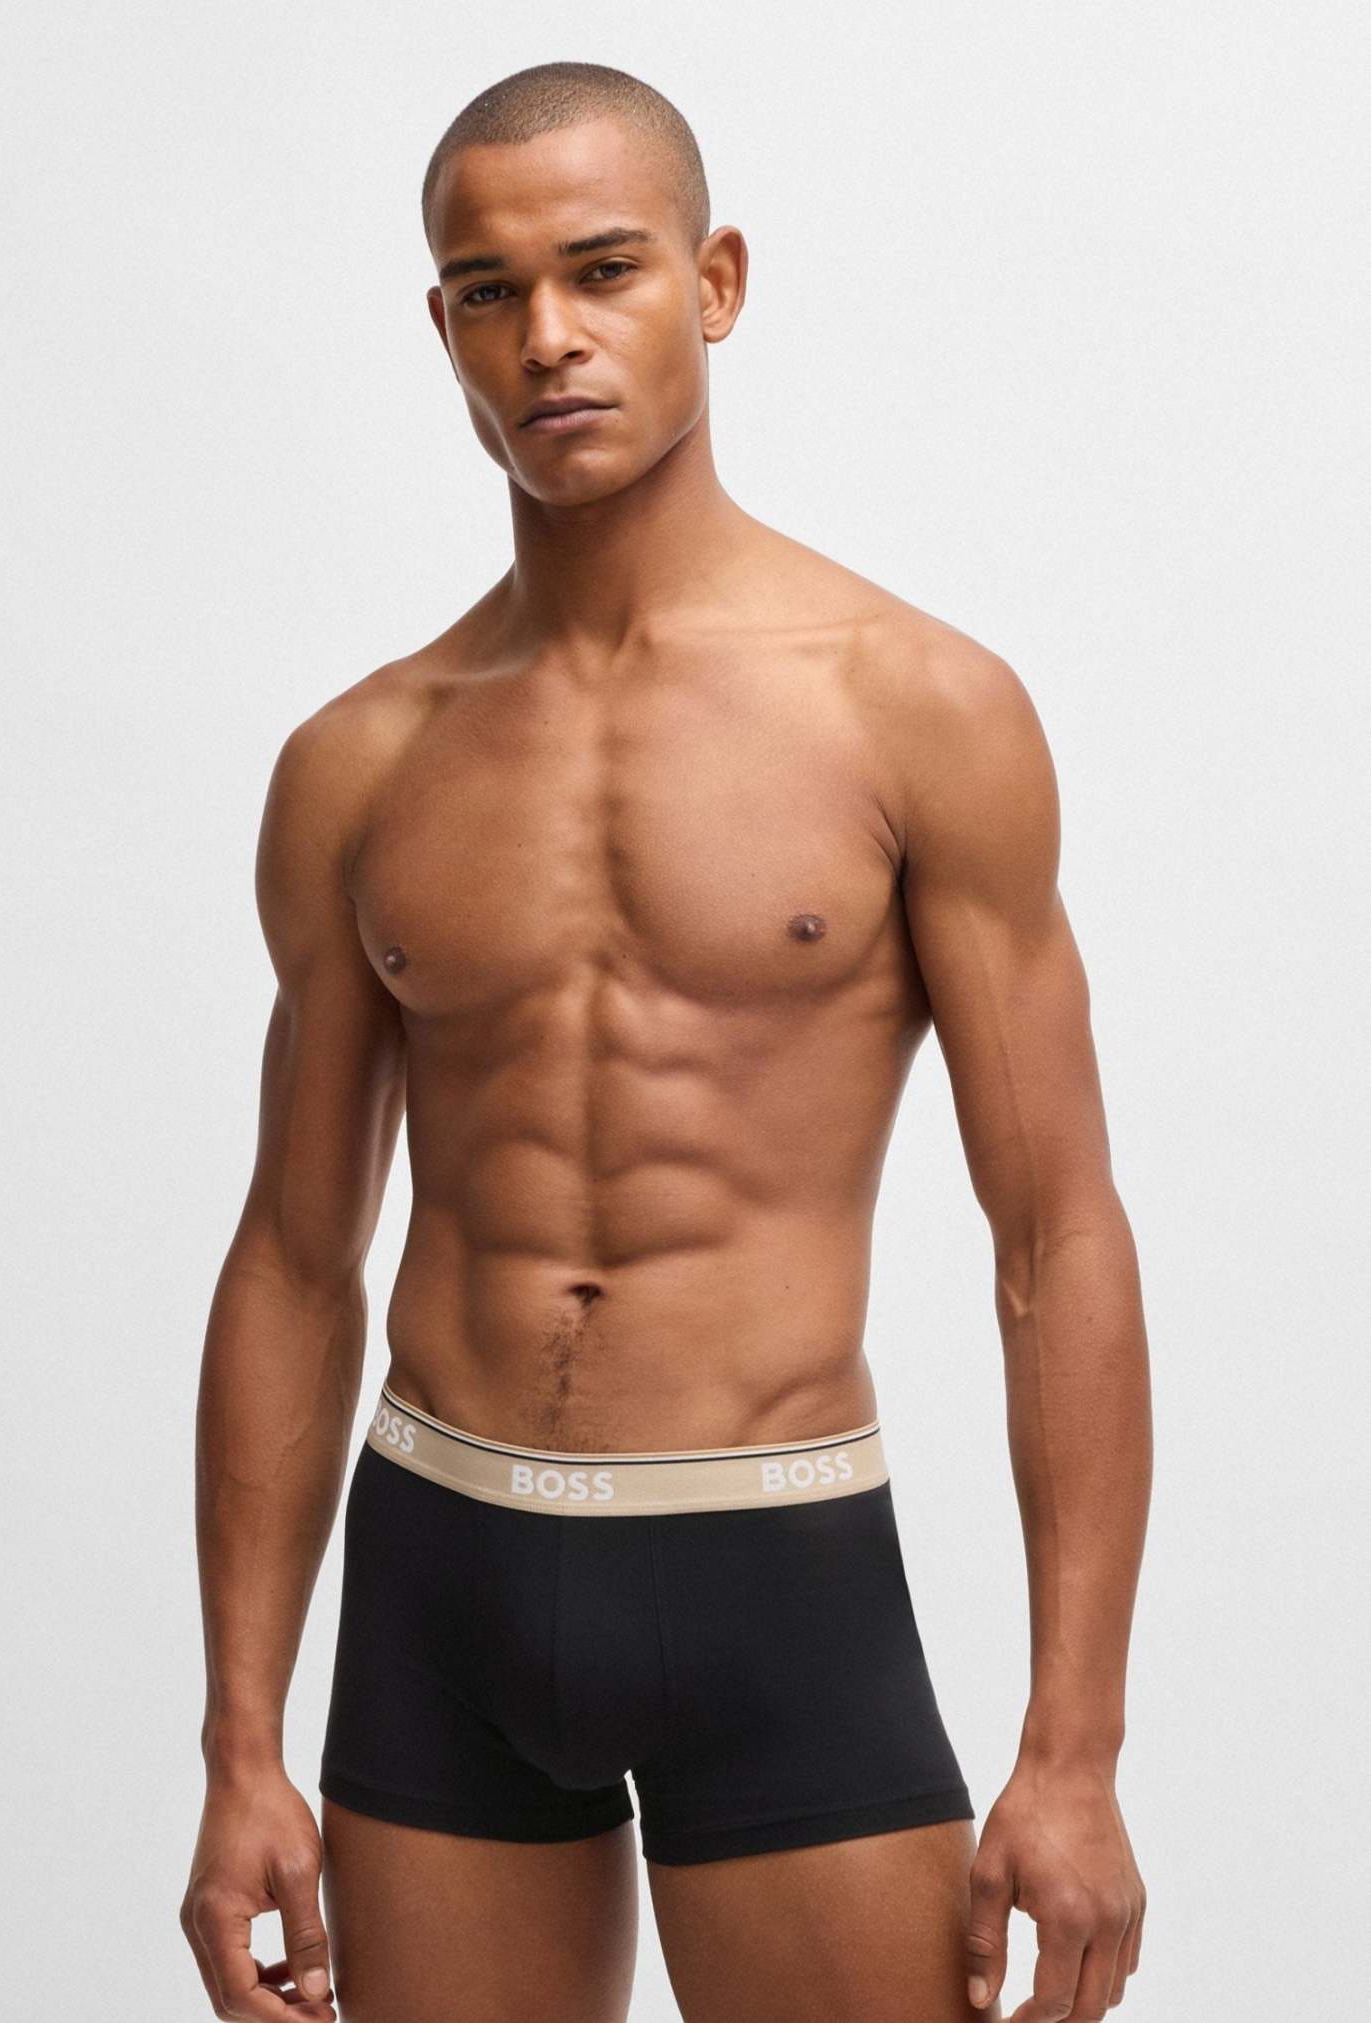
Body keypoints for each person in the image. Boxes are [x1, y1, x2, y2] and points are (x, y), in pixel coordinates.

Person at [178, 58, 1151, 2023]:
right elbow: (292, 1254)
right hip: (439, 1583)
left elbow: (1055, 1237)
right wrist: (238, 1743)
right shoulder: (359, 763)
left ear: (712, 282)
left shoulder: (914, 709)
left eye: (602, 269)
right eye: (489, 289)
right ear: (444, 325)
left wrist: (1075, 1751)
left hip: (772, 1573)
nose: (546, 336)